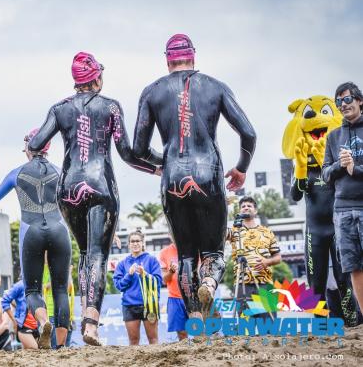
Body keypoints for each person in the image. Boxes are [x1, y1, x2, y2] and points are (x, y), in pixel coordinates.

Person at [28, 52, 161, 346]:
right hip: (101, 186)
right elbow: (127, 153)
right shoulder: (111, 107)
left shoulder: (60, 108)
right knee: (98, 254)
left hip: (68, 188)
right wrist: (156, 168)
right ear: (97, 78)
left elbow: (37, 143)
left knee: (87, 253)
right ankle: (91, 324)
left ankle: (83, 321)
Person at [133, 34, 256, 319]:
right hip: (208, 173)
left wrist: (163, 163)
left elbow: (139, 149)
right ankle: (210, 283)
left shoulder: (152, 92)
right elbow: (248, 133)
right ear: (194, 57)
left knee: (186, 255)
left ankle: (196, 317)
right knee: (212, 252)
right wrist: (241, 167)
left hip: (173, 176)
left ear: (167, 60)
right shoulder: (215, 87)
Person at [0, 129, 71, 348]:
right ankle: (61, 347)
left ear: (29, 148)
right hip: (59, 230)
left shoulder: (17, 173)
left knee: (32, 290)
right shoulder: (61, 171)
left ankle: (43, 322)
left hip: (32, 231)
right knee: (59, 289)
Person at [283, 95, 361, 326]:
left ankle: (352, 322)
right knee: (315, 280)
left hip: (338, 226)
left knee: (344, 276)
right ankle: (320, 323)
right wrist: (299, 171)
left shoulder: (334, 168)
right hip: (314, 231)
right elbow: (295, 196)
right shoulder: (305, 168)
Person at [323, 81, 363, 314]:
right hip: (342, 210)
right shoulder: (333, 136)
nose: (343, 105)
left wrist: (354, 169)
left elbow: (352, 169)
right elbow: (326, 174)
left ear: (360, 101)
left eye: (348, 99)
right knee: (353, 267)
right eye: (339, 101)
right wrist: (341, 164)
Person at [226, 196, 281, 317]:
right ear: (240, 211)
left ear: (255, 211)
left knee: (270, 327)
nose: (246, 208)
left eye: (249, 206)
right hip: (242, 284)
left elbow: (278, 257)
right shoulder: (234, 231)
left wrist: (267, 262)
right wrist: (223, 205)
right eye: (243, 206)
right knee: (245, 329)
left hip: (265, 283)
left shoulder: (267, 232)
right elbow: (216, 230)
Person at [113, 230, 162, 345]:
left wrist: (144, 274)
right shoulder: (123, 263)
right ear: (129, 244)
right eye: (132, 241)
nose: (135, 243)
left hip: (149, 304)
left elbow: (158, 282)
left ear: (142, 243)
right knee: (133, 341)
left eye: (138, 241)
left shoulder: (152, 260)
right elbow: (119, 285)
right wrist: (128, 275)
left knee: (153, 340)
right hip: (129, 305)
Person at [158, 239, 188, 341]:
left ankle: (201, 355)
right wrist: (171, 271)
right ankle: (187, 356)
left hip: (193, 297)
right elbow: (163, 280)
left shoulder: (193, 248)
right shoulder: (164, 252)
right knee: (181, 333)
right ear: (169, 234)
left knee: (199, 330)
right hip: (175, 298)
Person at [43, 262, 75, 348]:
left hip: (67, 315)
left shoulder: (66, 273)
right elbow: (42, 288)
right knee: (56, 347)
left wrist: (67, 273)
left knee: (65, 348)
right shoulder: (46, 269)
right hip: (52, 314)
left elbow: (68, 288)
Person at [1, 280, 40, 350]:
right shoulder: (20, 285)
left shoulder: (38, 284)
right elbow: (5, 300)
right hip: (24, 327)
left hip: (36, 327)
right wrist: (14, 320)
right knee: (35, 350)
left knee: (28, 356)